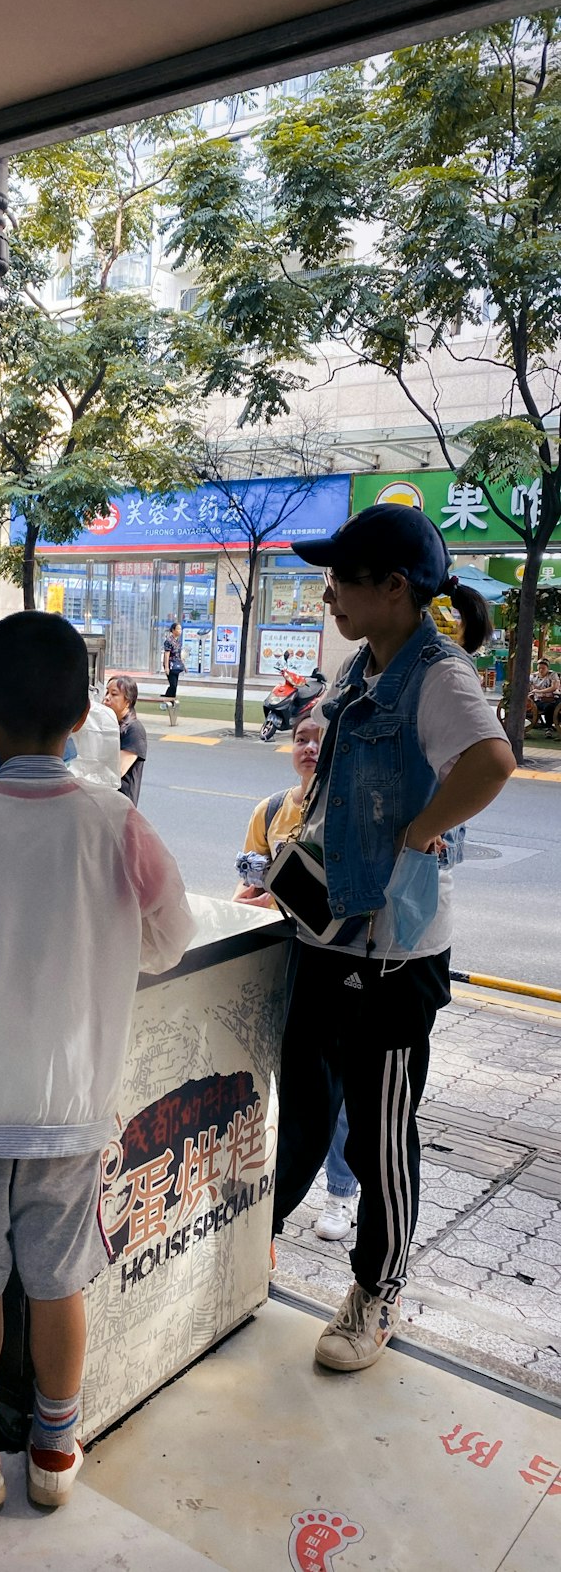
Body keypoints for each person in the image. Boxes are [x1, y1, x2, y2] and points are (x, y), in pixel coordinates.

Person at [0, 612, 193, 1513]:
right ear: (84, 716)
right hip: (67, 1110)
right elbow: (169, 939)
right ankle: (55, 1456)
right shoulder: (115, 822)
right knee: (61, 1277)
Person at [270, 504, 514, 1372]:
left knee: (379, 1133)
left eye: (342, 576)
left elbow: (491, 763)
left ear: (393, 587)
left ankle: (377, 1291)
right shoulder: (363, 666)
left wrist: (418, 833)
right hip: (328, 929)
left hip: (395, 954)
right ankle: (247, 1248)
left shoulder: (437, 675)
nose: (328, 591)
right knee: (301, 1114)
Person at [232, 707, 360, 1241]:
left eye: (319, 740)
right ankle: (274, 1199)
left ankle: (339, 1193)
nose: (309, 748)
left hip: (337, 966)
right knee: (299, 1088)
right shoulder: (269, 811)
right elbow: (245, 889)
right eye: (300, 739)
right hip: (282, 965)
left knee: (340, 1091)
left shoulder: (348, 811)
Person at [103, 674, 148, 804]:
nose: (106, 698)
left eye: (114, 694)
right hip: (103, 799)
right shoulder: (109, 724)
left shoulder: (134, 730)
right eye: (107, 692)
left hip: (120, 804)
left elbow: (118, 770)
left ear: (128, 701)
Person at [530, 658, 560, 728]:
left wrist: (538, 691)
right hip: (540, 700)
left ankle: (554, 723)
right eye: (539, 668)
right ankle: (548, 727)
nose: (541, 670)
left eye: (543, 668)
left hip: (554, 698)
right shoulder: (533, 676)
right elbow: (527, 686)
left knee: (557, 705)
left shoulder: (552, 674)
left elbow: (554, 687)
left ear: (547, 668)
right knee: (549, 707)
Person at [162, 620, 185, 701]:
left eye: (181, 629)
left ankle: (169, 699)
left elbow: (179, 654)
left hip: (177, 665)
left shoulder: (178, 641)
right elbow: (166, 654)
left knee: (174, 684)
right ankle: (168, 699)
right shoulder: (168, 641)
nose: (180, 631)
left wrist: (184, 665)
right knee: (173, 684)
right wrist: (166, 667)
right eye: (178, 629)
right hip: (170, 665)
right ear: (173, 630)